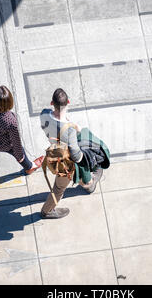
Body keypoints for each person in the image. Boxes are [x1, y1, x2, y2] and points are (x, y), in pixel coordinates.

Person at [39, 88, 104, 219]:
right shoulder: (69, 130)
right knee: (59, 187)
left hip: (55, 149)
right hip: (64, 160)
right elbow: (76, 156)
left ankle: (88, 183)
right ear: (68, 102)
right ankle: (47, 211)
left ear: (52, 103)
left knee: (71, 177)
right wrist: (77, 132)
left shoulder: (44, 114)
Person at [0, 86, 44, 203]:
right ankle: (29, 167)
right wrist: (20, 157)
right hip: (6, 144)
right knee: (19, 152)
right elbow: (16, 143)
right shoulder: (10, 120)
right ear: (10, 101)